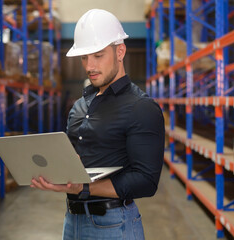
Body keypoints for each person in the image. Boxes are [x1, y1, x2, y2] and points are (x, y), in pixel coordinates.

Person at [31, 9, 164, 240]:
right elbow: (74, 160)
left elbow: (146, 181)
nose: (89, 66)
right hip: (72, 221)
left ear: (120, 51)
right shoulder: (80, 106)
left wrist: (83, 188)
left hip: (114, 225)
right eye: (84, 57)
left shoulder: (141, 108)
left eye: (98, 55)